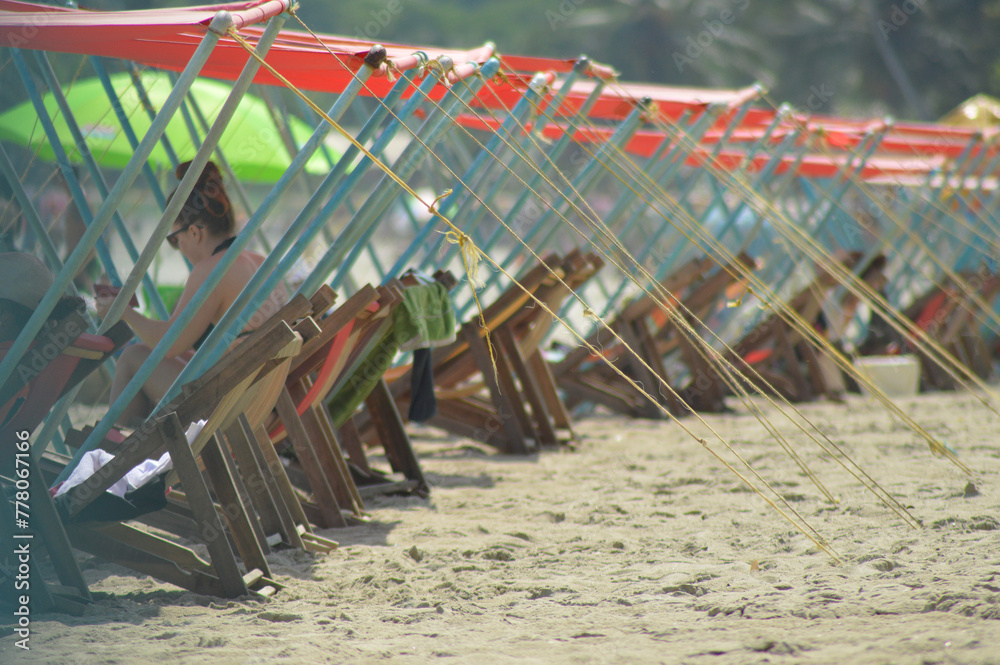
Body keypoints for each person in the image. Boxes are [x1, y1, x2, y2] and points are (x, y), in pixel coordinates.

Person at [96, 161, 286, 428]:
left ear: (194, 233)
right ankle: (137, 452)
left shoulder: (211, 271)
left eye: (174, 239)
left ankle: (112, 455)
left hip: (235, 407)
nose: (178, 247)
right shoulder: (262, 261)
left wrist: (124, 314)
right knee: (162, 361)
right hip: (265, 400)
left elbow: (170, 343)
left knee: (132, 357)